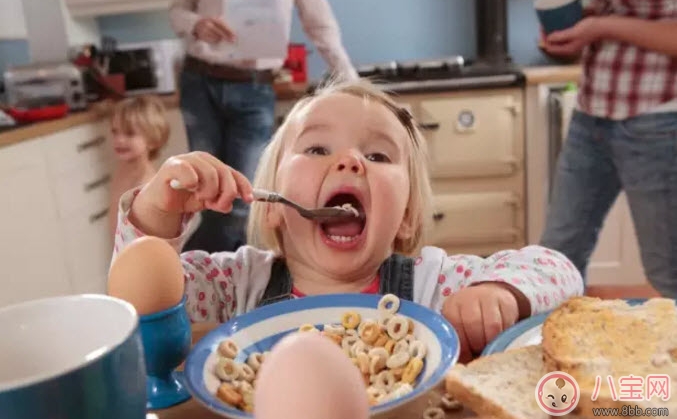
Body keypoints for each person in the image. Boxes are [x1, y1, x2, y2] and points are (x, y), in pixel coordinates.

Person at [111, 79, 583, 363]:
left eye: (378, 154)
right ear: (271, 202)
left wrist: (498, 293)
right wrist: (156, 213)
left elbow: (559, 271)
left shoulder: (434, 284)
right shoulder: (236, 285)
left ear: (406, 217)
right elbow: (141, 304)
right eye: (317, 148)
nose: (351, 161)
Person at [168, 0, 358, 254]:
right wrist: (196, 24)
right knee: (207, 196)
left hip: (255, 89)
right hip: (200, 84)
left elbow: (321, 26)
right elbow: (177, 12)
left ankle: (182, 272)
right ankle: (222, 284)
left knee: (241, 204)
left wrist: (351, 84)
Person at [539, 0, 677, 298]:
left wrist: (601, 27)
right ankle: (557, 344)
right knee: (556, 257)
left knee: (668, 271)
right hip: (592, 110)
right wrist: (574, 29)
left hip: (660, 117)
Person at [108, 96, 170, 237]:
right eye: (115, 132)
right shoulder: (121, 171)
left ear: (153, 141)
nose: (119, 140)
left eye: (130, 133)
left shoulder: (148, 183)